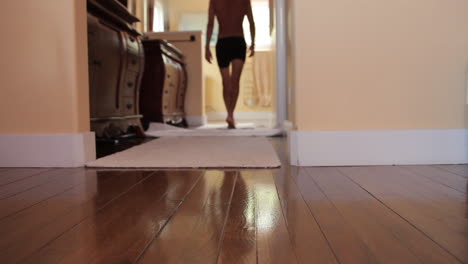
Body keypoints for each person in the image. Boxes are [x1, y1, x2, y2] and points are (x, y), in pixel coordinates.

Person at [205, 0, 255, 129]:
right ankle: (231, 114)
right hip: (238, 41)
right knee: (235, 81)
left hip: (222, 42)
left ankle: (229, 113)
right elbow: (251, 22)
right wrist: (253, 42)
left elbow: (210, 24)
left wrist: (206, 46)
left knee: (226, 82)